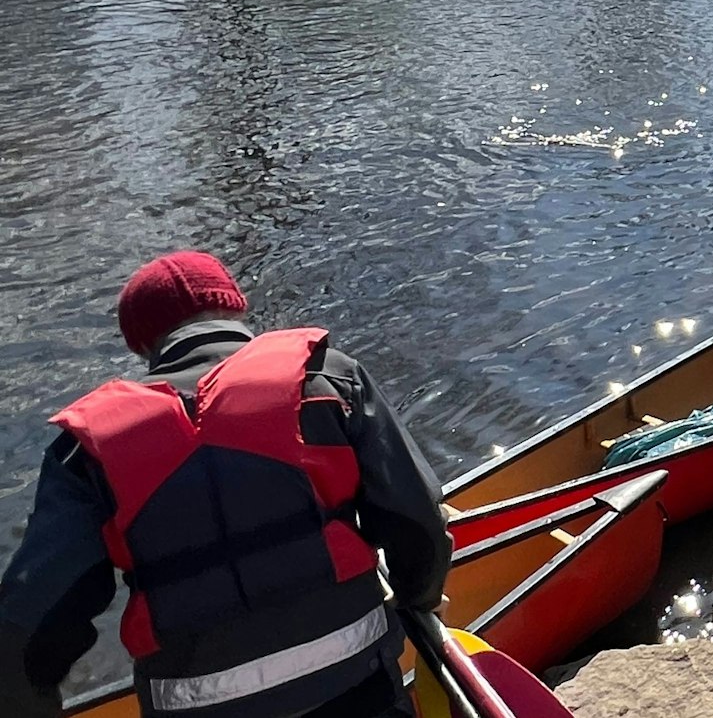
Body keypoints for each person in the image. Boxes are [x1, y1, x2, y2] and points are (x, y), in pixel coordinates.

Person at [0, 251, 453, 718]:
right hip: (358, 689)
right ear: (236, 309)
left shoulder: (86, 453)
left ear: (143, 346)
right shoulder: (328, 379)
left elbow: (23, 634)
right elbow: (417, 521)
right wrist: (419, 598)